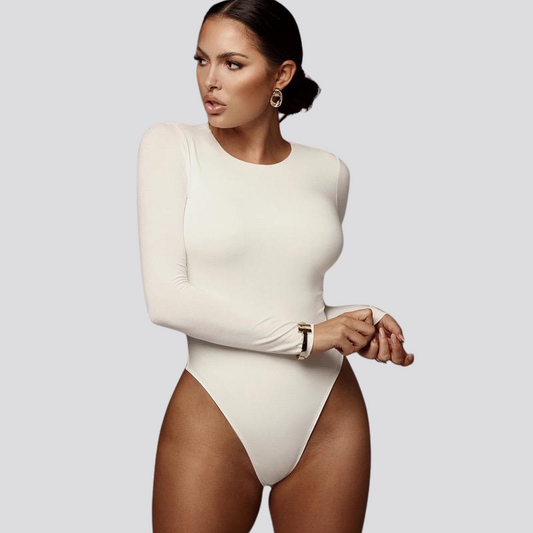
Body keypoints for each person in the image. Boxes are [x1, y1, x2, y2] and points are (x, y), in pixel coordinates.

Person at [137, 1, 414, 531]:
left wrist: (361, 317)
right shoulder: (173, 146)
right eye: (201, 60)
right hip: (215, 412)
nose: (210, 80)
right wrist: (309, 336)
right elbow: (168, 299)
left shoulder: (329, 171)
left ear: (281, 75)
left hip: (328, 415)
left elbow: (289, 295)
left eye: (232, 63)